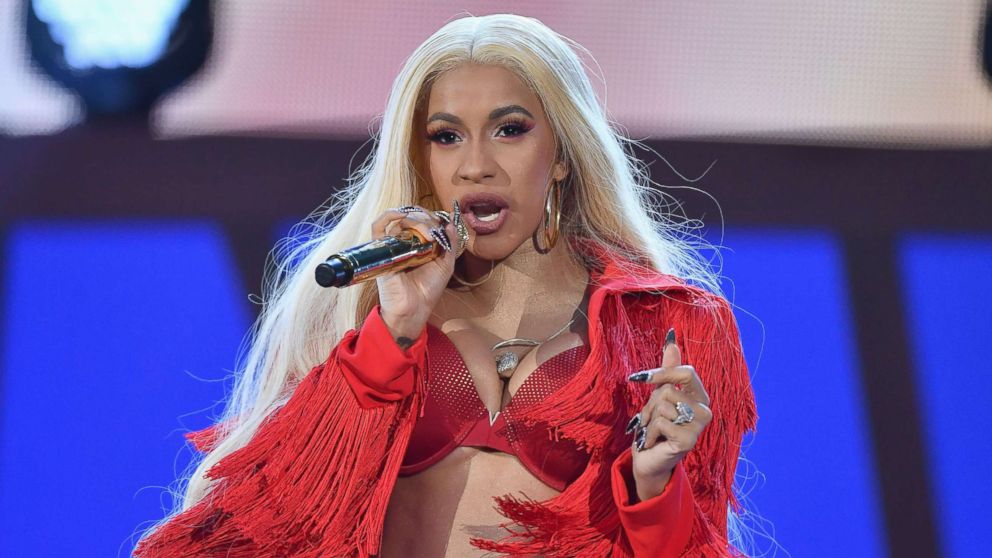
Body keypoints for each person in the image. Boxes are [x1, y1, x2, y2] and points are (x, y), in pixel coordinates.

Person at [134, 13, 756, 558]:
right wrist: (393, 334)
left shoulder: (670, 325)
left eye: (510, 129)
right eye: (446, 136)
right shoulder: (354, 306)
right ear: (420, 158)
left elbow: (692, 546)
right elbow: (278, 522)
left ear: (564, 155)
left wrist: (654, 488)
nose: (475, 164)